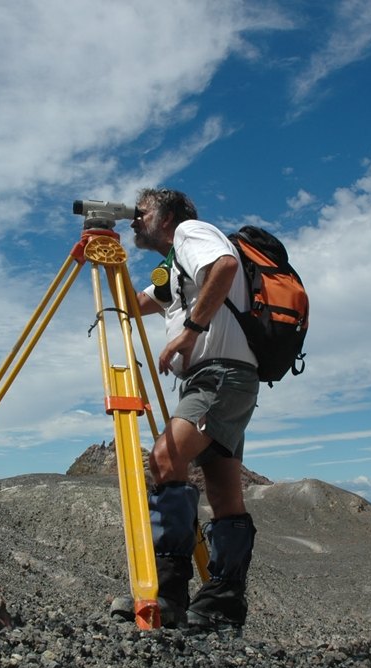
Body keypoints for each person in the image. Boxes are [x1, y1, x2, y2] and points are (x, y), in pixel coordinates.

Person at [112, 188, 260, 629]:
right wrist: (111, 257)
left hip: (219, 376)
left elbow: (226, 266)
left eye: (142, 213)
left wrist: (190, 331)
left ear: (170, 215)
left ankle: (170, 591)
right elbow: (132, 306)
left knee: (165, 458)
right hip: (220, 380)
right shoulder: (173, 268)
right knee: (223, 492)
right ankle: (224, 604)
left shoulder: (192, 233)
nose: (135, 220)